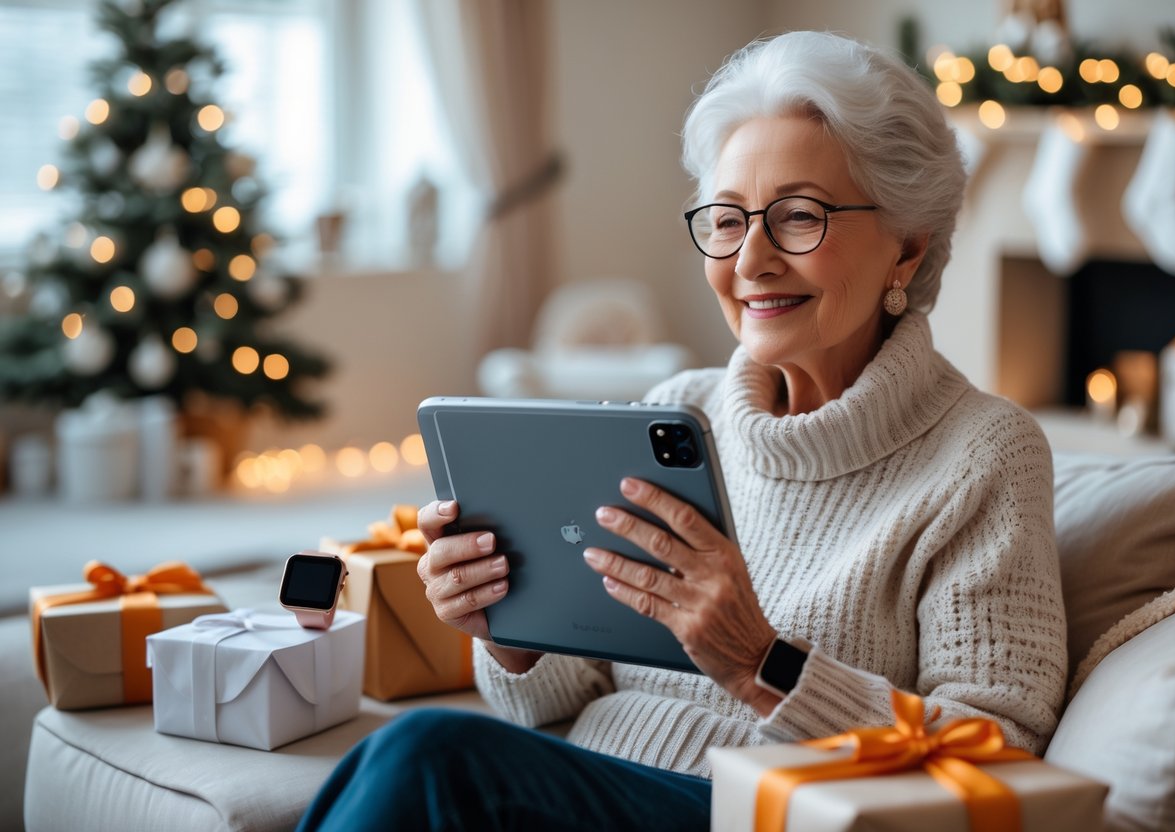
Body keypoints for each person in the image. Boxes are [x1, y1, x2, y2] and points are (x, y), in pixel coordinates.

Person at [297, 29, 1067, 832]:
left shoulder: (983, 454)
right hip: (600, 784)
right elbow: (560, 697)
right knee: (384, 759)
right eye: (726, 220)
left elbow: (997, 755)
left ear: (905, 250)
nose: (751, 260)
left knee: (430, 754)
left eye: (798, 217)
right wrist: (508, 633)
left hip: (764, 813)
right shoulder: (679, 410)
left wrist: (758, 663)